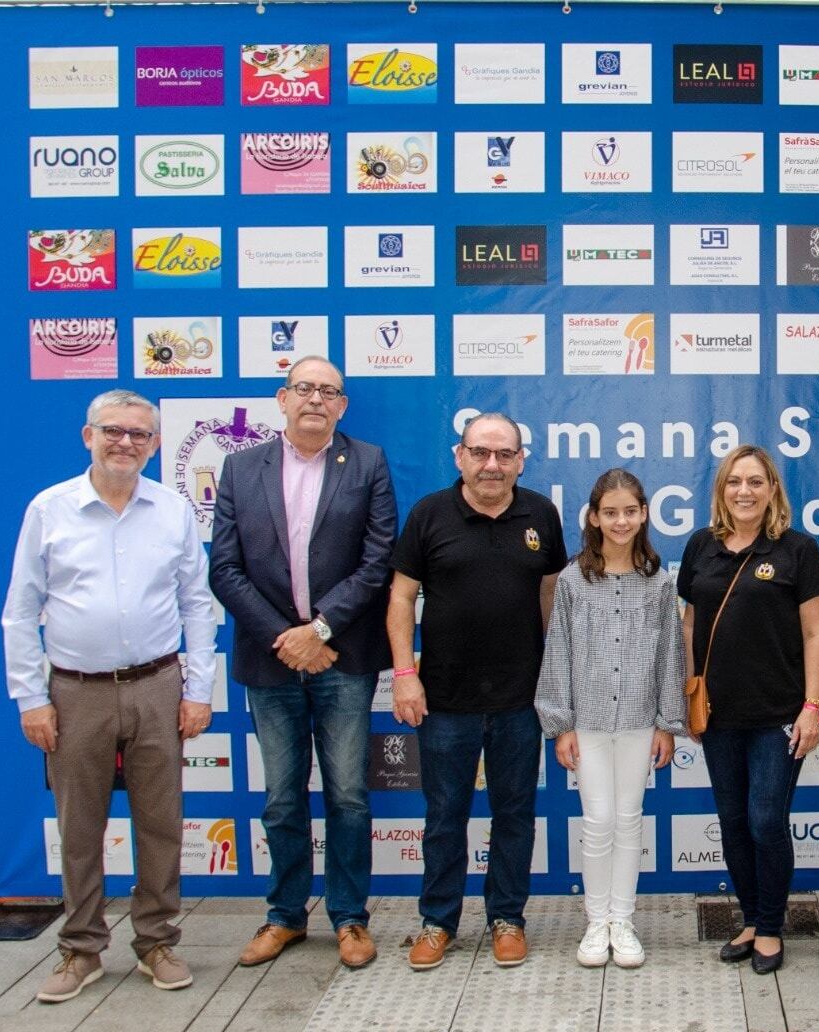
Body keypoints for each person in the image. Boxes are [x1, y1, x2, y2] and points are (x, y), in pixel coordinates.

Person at [3, 389, 215, 1003]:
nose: (126, 443)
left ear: (154, 444)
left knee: (160, 822)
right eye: (113, 431)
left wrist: (197, 689)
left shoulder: (172, 510)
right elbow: (20, 612)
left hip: (156, 685)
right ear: (87, 436)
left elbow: (196, 605)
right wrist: (30, 698)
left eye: (139, 435)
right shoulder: (50, 509)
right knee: (79, 826)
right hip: (75, 692)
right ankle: (80, 948)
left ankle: (156, 941)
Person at [210, 357, 397, 971]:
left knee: (347, 795)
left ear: (342, 406)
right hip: (270, 663)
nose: (317, 400)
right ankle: (285, 915)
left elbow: (377, 562)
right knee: (283, 798)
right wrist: (285, 639)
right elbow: (225, 568)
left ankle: (349, 918)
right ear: (282, 398)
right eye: (305, 389)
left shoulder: (367, 463)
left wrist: (317, 631)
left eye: (330, 392)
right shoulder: (241, 468)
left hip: (342, 655)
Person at [389, 412, 567, 970]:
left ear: (521, 459)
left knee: (515, 814)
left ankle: (507, 917)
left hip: (520, 699)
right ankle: (437, 920)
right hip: (445, 699)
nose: (493, 465)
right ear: (459, 455)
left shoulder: (540, 513)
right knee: (445, 816)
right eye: (481, 452)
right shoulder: (428, 515)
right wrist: (403, 674)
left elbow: (551, 597)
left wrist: (555, 677)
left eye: (505, 454)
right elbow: (400, 600)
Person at [678, 445, 819, 975]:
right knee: (733, 821)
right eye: (735, 482)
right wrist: (688, 694)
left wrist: (813, 704)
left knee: (766, 819)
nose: (745, 491)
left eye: (756, 482)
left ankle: (769, 925)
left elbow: (814, 632)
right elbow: (692, 625)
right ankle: (749, 917)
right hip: (718, 714)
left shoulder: (798, 550)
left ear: (772, 490)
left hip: (779, 713)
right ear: (722, 490)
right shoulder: (701, 546)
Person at [535, 469, 686, 969]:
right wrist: (561, 723)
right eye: (610, 512)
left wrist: (667, 721)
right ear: (594, 518)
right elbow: (557, 651)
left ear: (643, 514)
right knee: (597, 821)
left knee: (628, 819)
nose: (620, 521)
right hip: (590, 722)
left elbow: (671, 654)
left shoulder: (659, 581)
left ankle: (623, 920)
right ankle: (595, 920)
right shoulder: (574, 580)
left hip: (641, 720)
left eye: (629, 511)